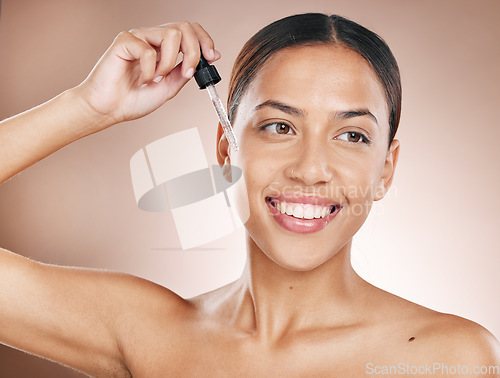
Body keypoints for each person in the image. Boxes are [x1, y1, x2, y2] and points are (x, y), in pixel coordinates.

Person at [0, 13, 499, 377]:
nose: (310, 170)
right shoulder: (148, 332)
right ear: (226, 151)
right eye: (279, 126)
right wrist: (88, 107)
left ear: (386, 169)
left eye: (352, 136)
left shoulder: (449, 359)